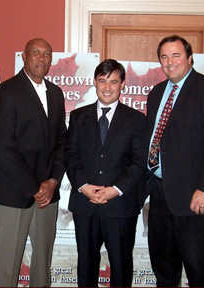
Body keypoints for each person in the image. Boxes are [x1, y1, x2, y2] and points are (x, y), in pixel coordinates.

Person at [0, 38, 66, 287]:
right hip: (14, 191)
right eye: (36, 53)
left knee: (42, 262)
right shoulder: (6, 92)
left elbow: (61, 143)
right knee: (6, 263)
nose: (42, 58)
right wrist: (34, 188)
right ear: (23, 56)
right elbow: (3, 147)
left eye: (46, 54)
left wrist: (53, 181)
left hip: (48, 194)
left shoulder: (55, 93)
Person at [64, 59, 147, 287]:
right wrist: (84, 186)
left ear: (123, 85)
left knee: (120, 269)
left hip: (120, 207)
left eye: (113, 81)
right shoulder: (79, 117)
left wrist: (115, 190)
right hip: (85, 205)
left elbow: (138, 162)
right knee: (86, 268)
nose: (107, 87)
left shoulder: (137, 120)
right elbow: (70, 156)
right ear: (94, 83)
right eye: (102, 81)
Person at [146, 35, 204, 287]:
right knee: (164, 268)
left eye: (176, 55)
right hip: (160, 193)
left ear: (189, 58)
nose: (170, 62)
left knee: (200, 271)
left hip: (194, 197)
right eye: (164, 57)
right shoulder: (155, 94)